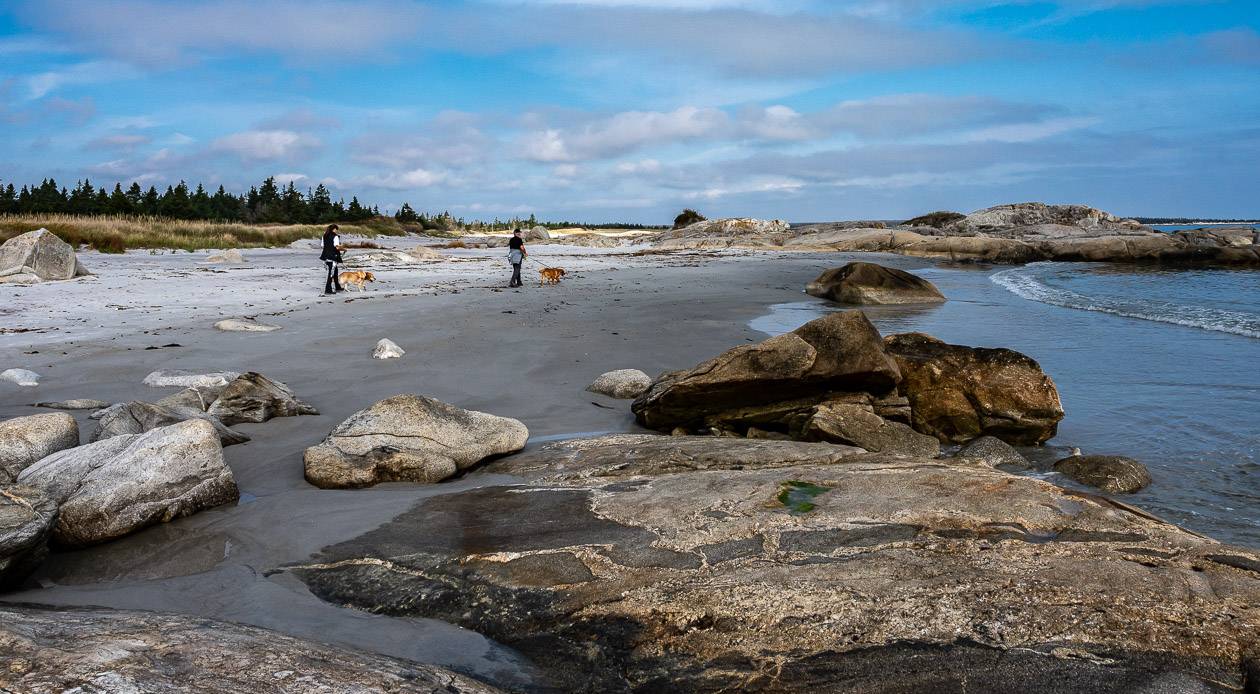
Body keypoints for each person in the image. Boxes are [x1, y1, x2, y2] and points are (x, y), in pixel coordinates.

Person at [320, 223, 344, 295]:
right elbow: (337, 247)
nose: (336, 231)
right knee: (331, 273)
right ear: (334, 229)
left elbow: (322, 246)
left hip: (325, 256)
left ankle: (337, 287)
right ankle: (328, 289)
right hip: (332, 256)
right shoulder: (335, 236)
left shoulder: (324, 236)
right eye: (336, 229)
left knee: (335, 271)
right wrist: (343, 248)